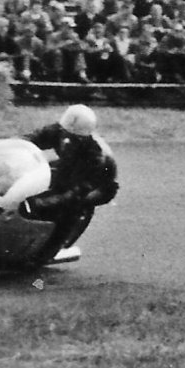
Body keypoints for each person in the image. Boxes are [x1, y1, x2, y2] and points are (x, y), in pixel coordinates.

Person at [21, 104, 119, 261]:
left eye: (76, 138)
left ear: (84, 137)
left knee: (72, 205)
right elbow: (30, 139)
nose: (69, 140)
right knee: (40, 173)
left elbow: (78, 190)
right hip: (70, 166)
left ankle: (48, 251)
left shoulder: (95, 156)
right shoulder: (60, 130)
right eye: (67, 134)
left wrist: (43, 202)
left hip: (98, 185)